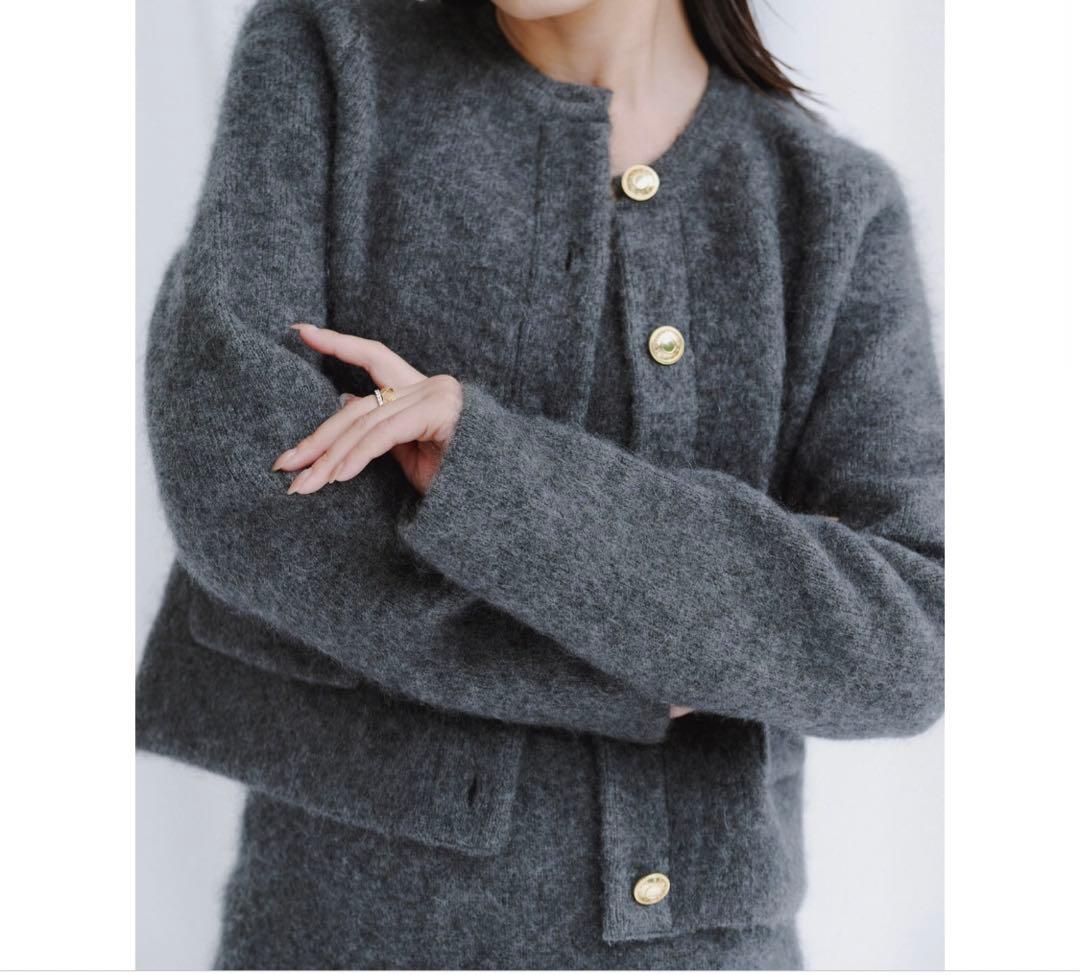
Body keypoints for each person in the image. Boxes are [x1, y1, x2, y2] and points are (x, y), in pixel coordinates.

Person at [137, 0, 944, 968]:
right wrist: (642, 668)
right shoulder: (331, 53)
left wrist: (491, 472)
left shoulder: (831, 207)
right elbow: (238, 477)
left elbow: (915, 636)